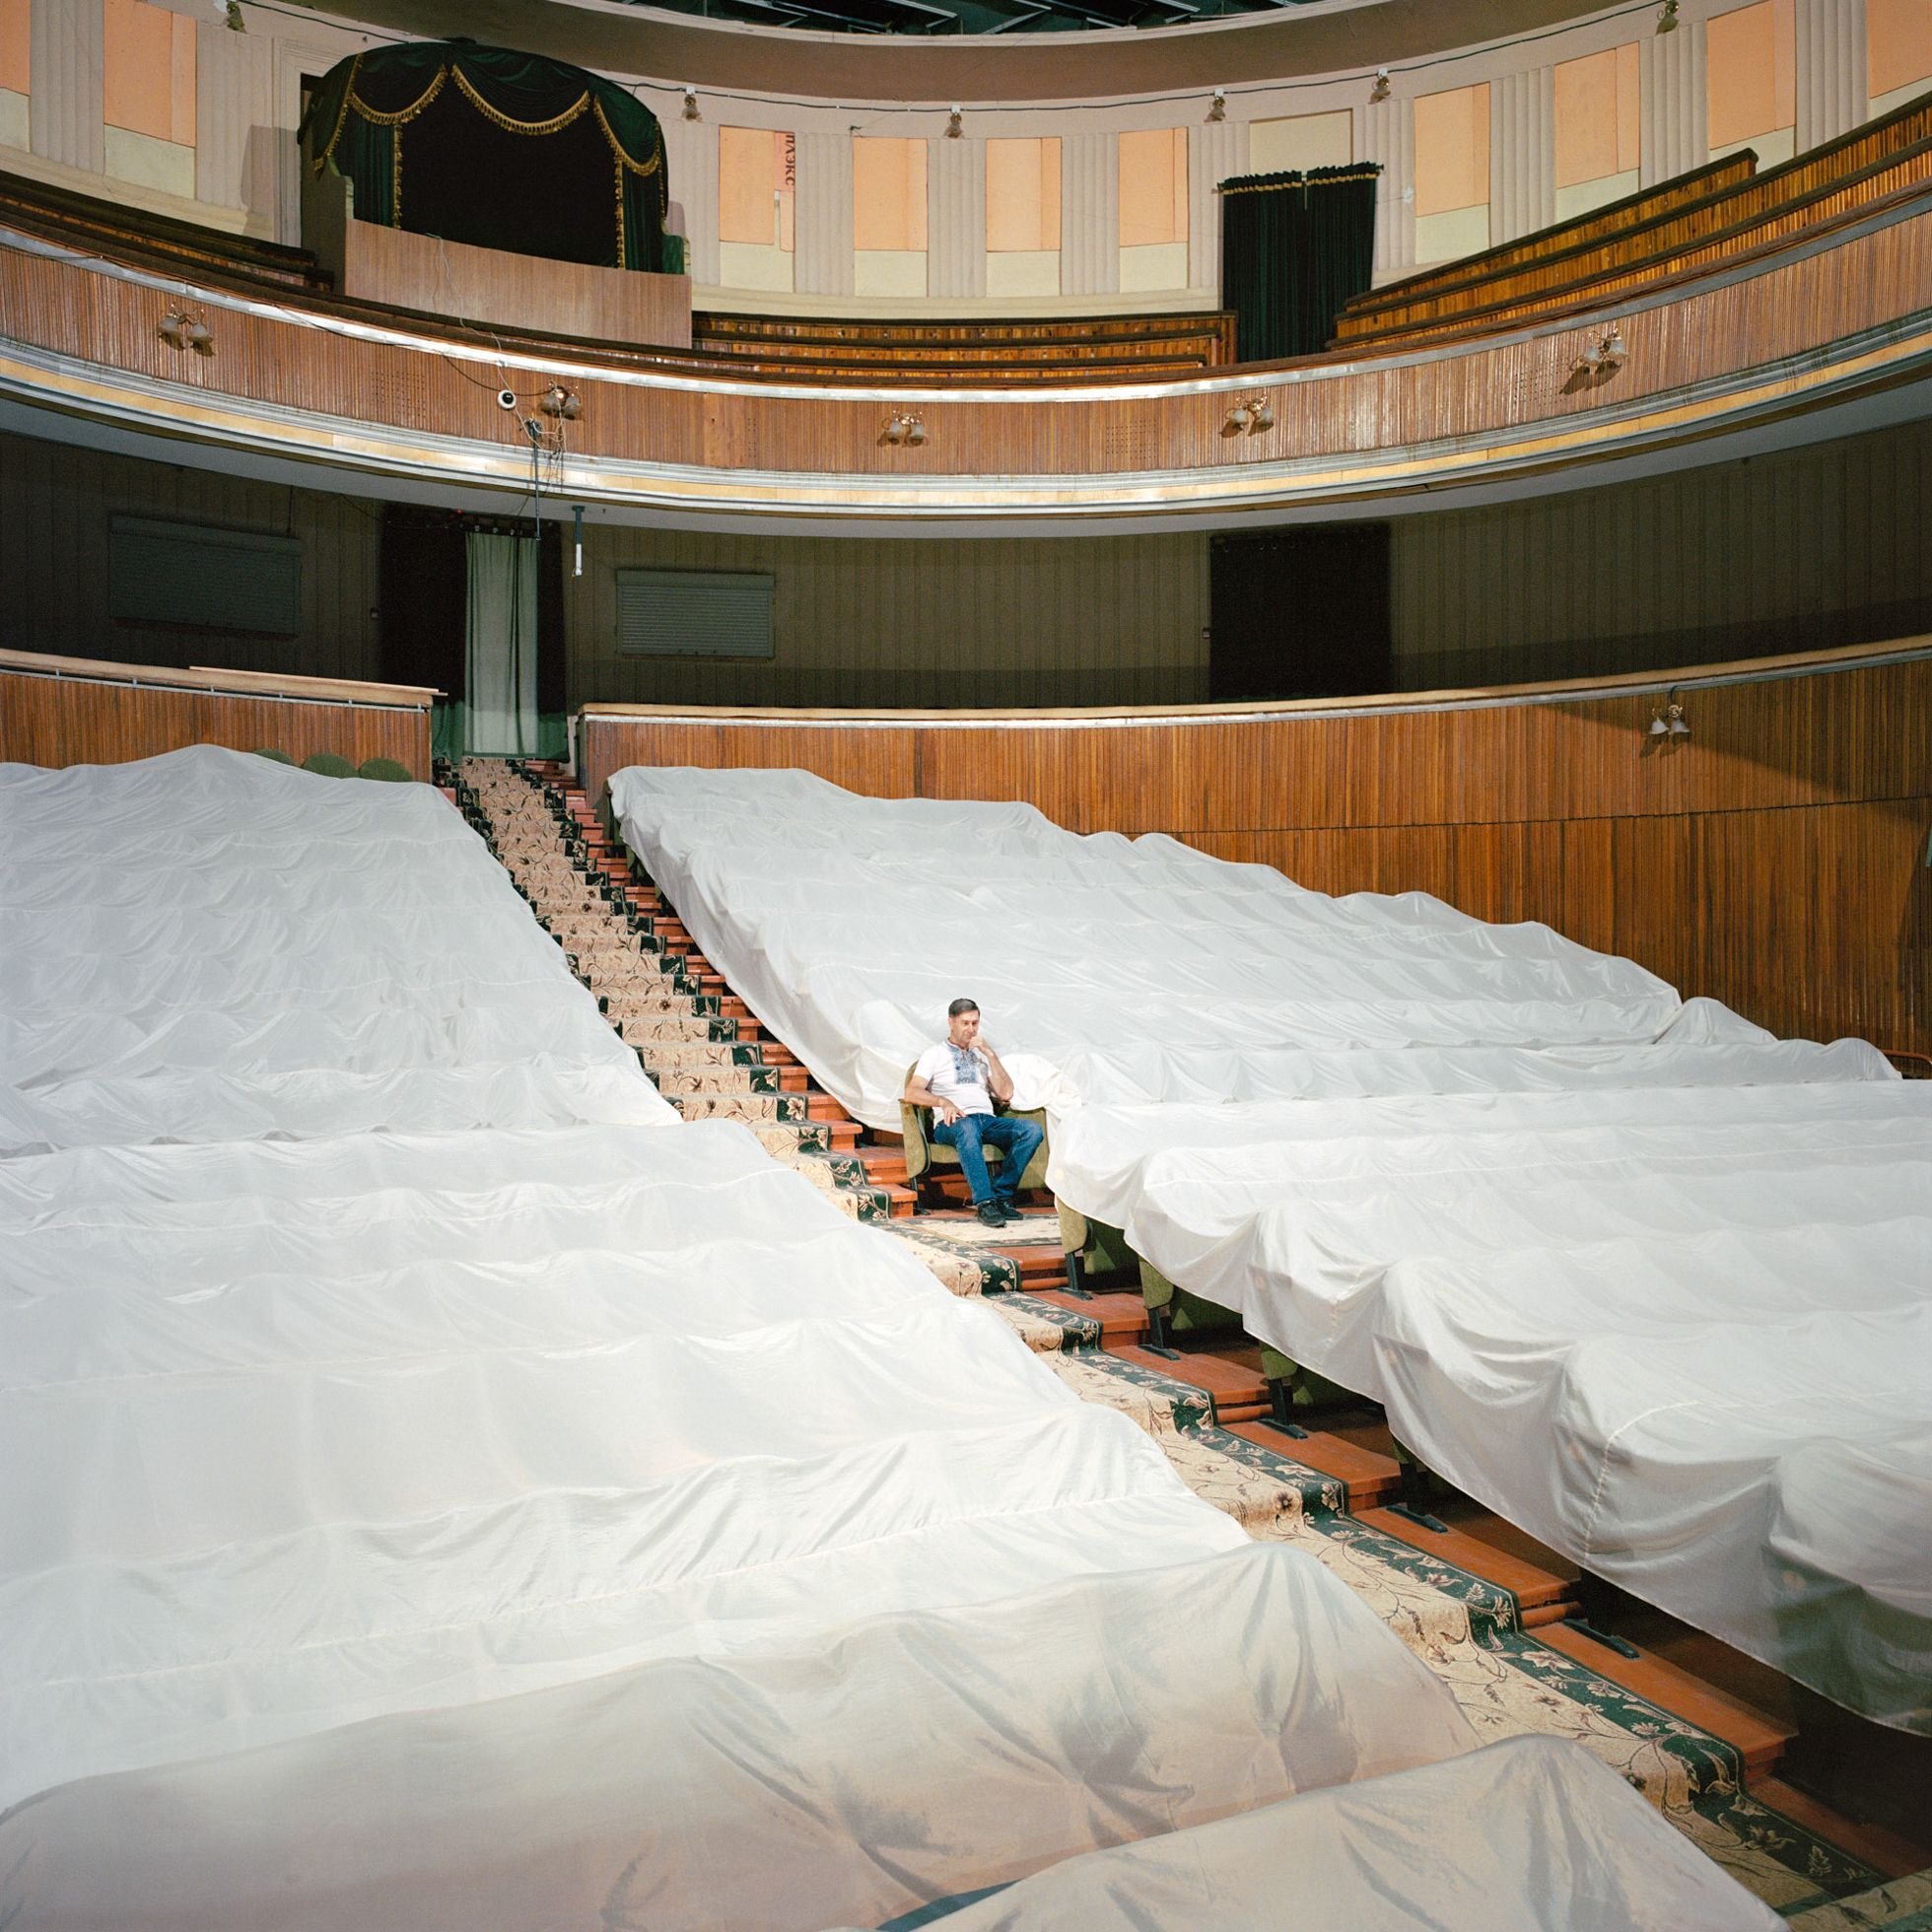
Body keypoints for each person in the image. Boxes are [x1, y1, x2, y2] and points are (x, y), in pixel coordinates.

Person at [905, 998, 1045, 1228]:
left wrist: (990, 1053)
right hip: (953, 1122)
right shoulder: (934, 1054)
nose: (971, 1029)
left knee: (1031, 1130)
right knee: (968, 1127)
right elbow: (911, 1091)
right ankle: (985, 1203)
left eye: (975, 1023)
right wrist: (942, 1101)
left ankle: (1001, 1196)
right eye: (965, 1023)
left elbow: (1006, 1092)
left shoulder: (981, 1055)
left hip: (986, 1120)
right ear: (951, 1022)